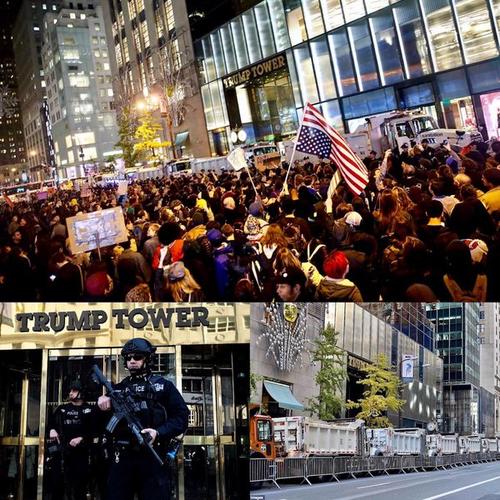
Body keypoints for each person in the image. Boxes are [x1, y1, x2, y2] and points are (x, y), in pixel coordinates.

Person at [98, 338, 189, 500]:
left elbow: (182, 418)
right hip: (123, 458)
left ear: (148, 359)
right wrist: (101, 401)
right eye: (128, 358)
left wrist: (158, 432)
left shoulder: (163, 386)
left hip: (152, 455)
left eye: (137, 357)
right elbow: (101, 422)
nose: (132, 361)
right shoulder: (118, 389)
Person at [49, 381, 94, 500]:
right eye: (70, 391)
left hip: (81, 454)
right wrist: (52, 429)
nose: (70, 393)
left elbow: (95, 430)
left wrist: (82, 438)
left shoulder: (89, 409)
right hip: (62, 453)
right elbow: (50, 423)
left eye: (74, 390)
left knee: (79, 487)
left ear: (81, 392)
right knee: (59, 485)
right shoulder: (62, 408)